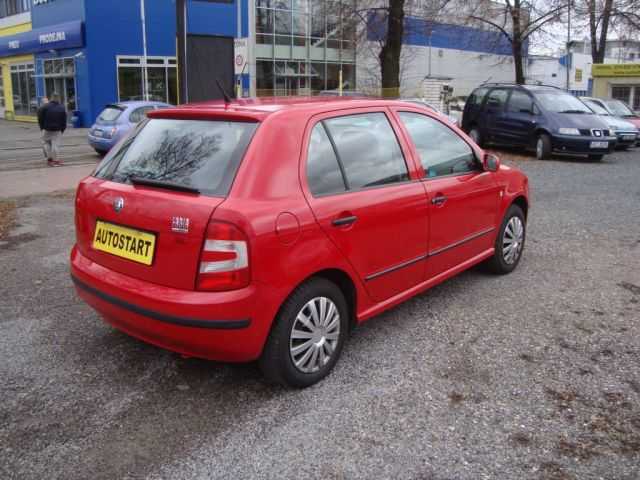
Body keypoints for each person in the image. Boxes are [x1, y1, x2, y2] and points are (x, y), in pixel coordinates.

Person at [37, 93, 67, 167]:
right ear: (58, 99)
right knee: (55, 145)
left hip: (46, 129)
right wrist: (62, 130)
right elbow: (64, 121)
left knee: (46, 143)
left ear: (51, 98)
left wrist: (42, 128)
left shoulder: (44, 107)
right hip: (57, 130)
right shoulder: (62, 108)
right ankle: (56, 160)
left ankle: (49, 159)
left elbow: (40, 118)